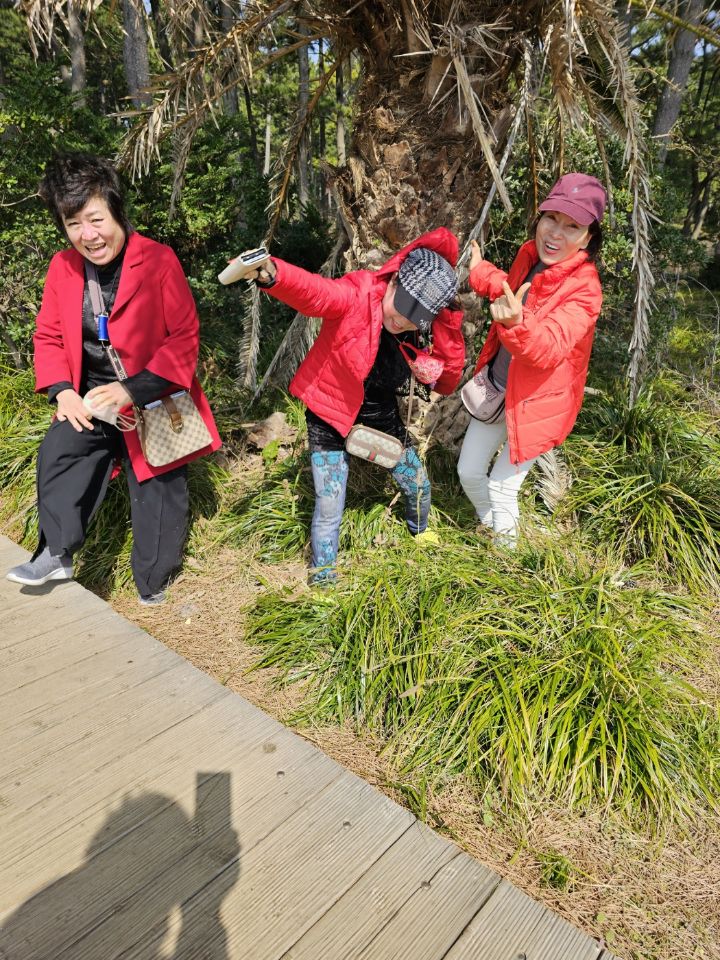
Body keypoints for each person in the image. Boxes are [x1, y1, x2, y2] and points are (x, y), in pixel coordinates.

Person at [5, 153, 221, 603]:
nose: (88, 235)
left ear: (116, 211)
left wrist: (130, 390)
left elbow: (184, 338)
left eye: (96, 219)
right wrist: (62, 391)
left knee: (159, 491)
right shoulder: (62, 267)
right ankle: (56, 551)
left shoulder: (158, 260)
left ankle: (155, 581)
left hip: (152, 397)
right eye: (73, 224)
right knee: (60, 450)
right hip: (94, 401)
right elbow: (47, 335)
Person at [245, 228, 466, 582]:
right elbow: (317, 293)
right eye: (403, 305)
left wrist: (448, 326)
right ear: (394, 280)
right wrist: (275, 275)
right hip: (329, 414)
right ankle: (323, 578)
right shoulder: (359, 292)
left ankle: (420, 532)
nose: (403, 320)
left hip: (379, 416)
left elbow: (449, 380)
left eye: (416, 315)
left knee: (417, 482)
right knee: (329, 503)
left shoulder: (421, 330)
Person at [457, 172, 606, 546]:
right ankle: (491, 526)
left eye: (572, 227)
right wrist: (480, 271)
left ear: (588, 238)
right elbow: (510, 289)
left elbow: (548, 348)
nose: (556, 233)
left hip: (538, 406)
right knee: (468, 471)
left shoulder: (586, 290)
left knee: (501, 487)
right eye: (551, 218)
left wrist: (516, 324)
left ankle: (507, 564)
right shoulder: (530, 255)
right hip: (499, 389)